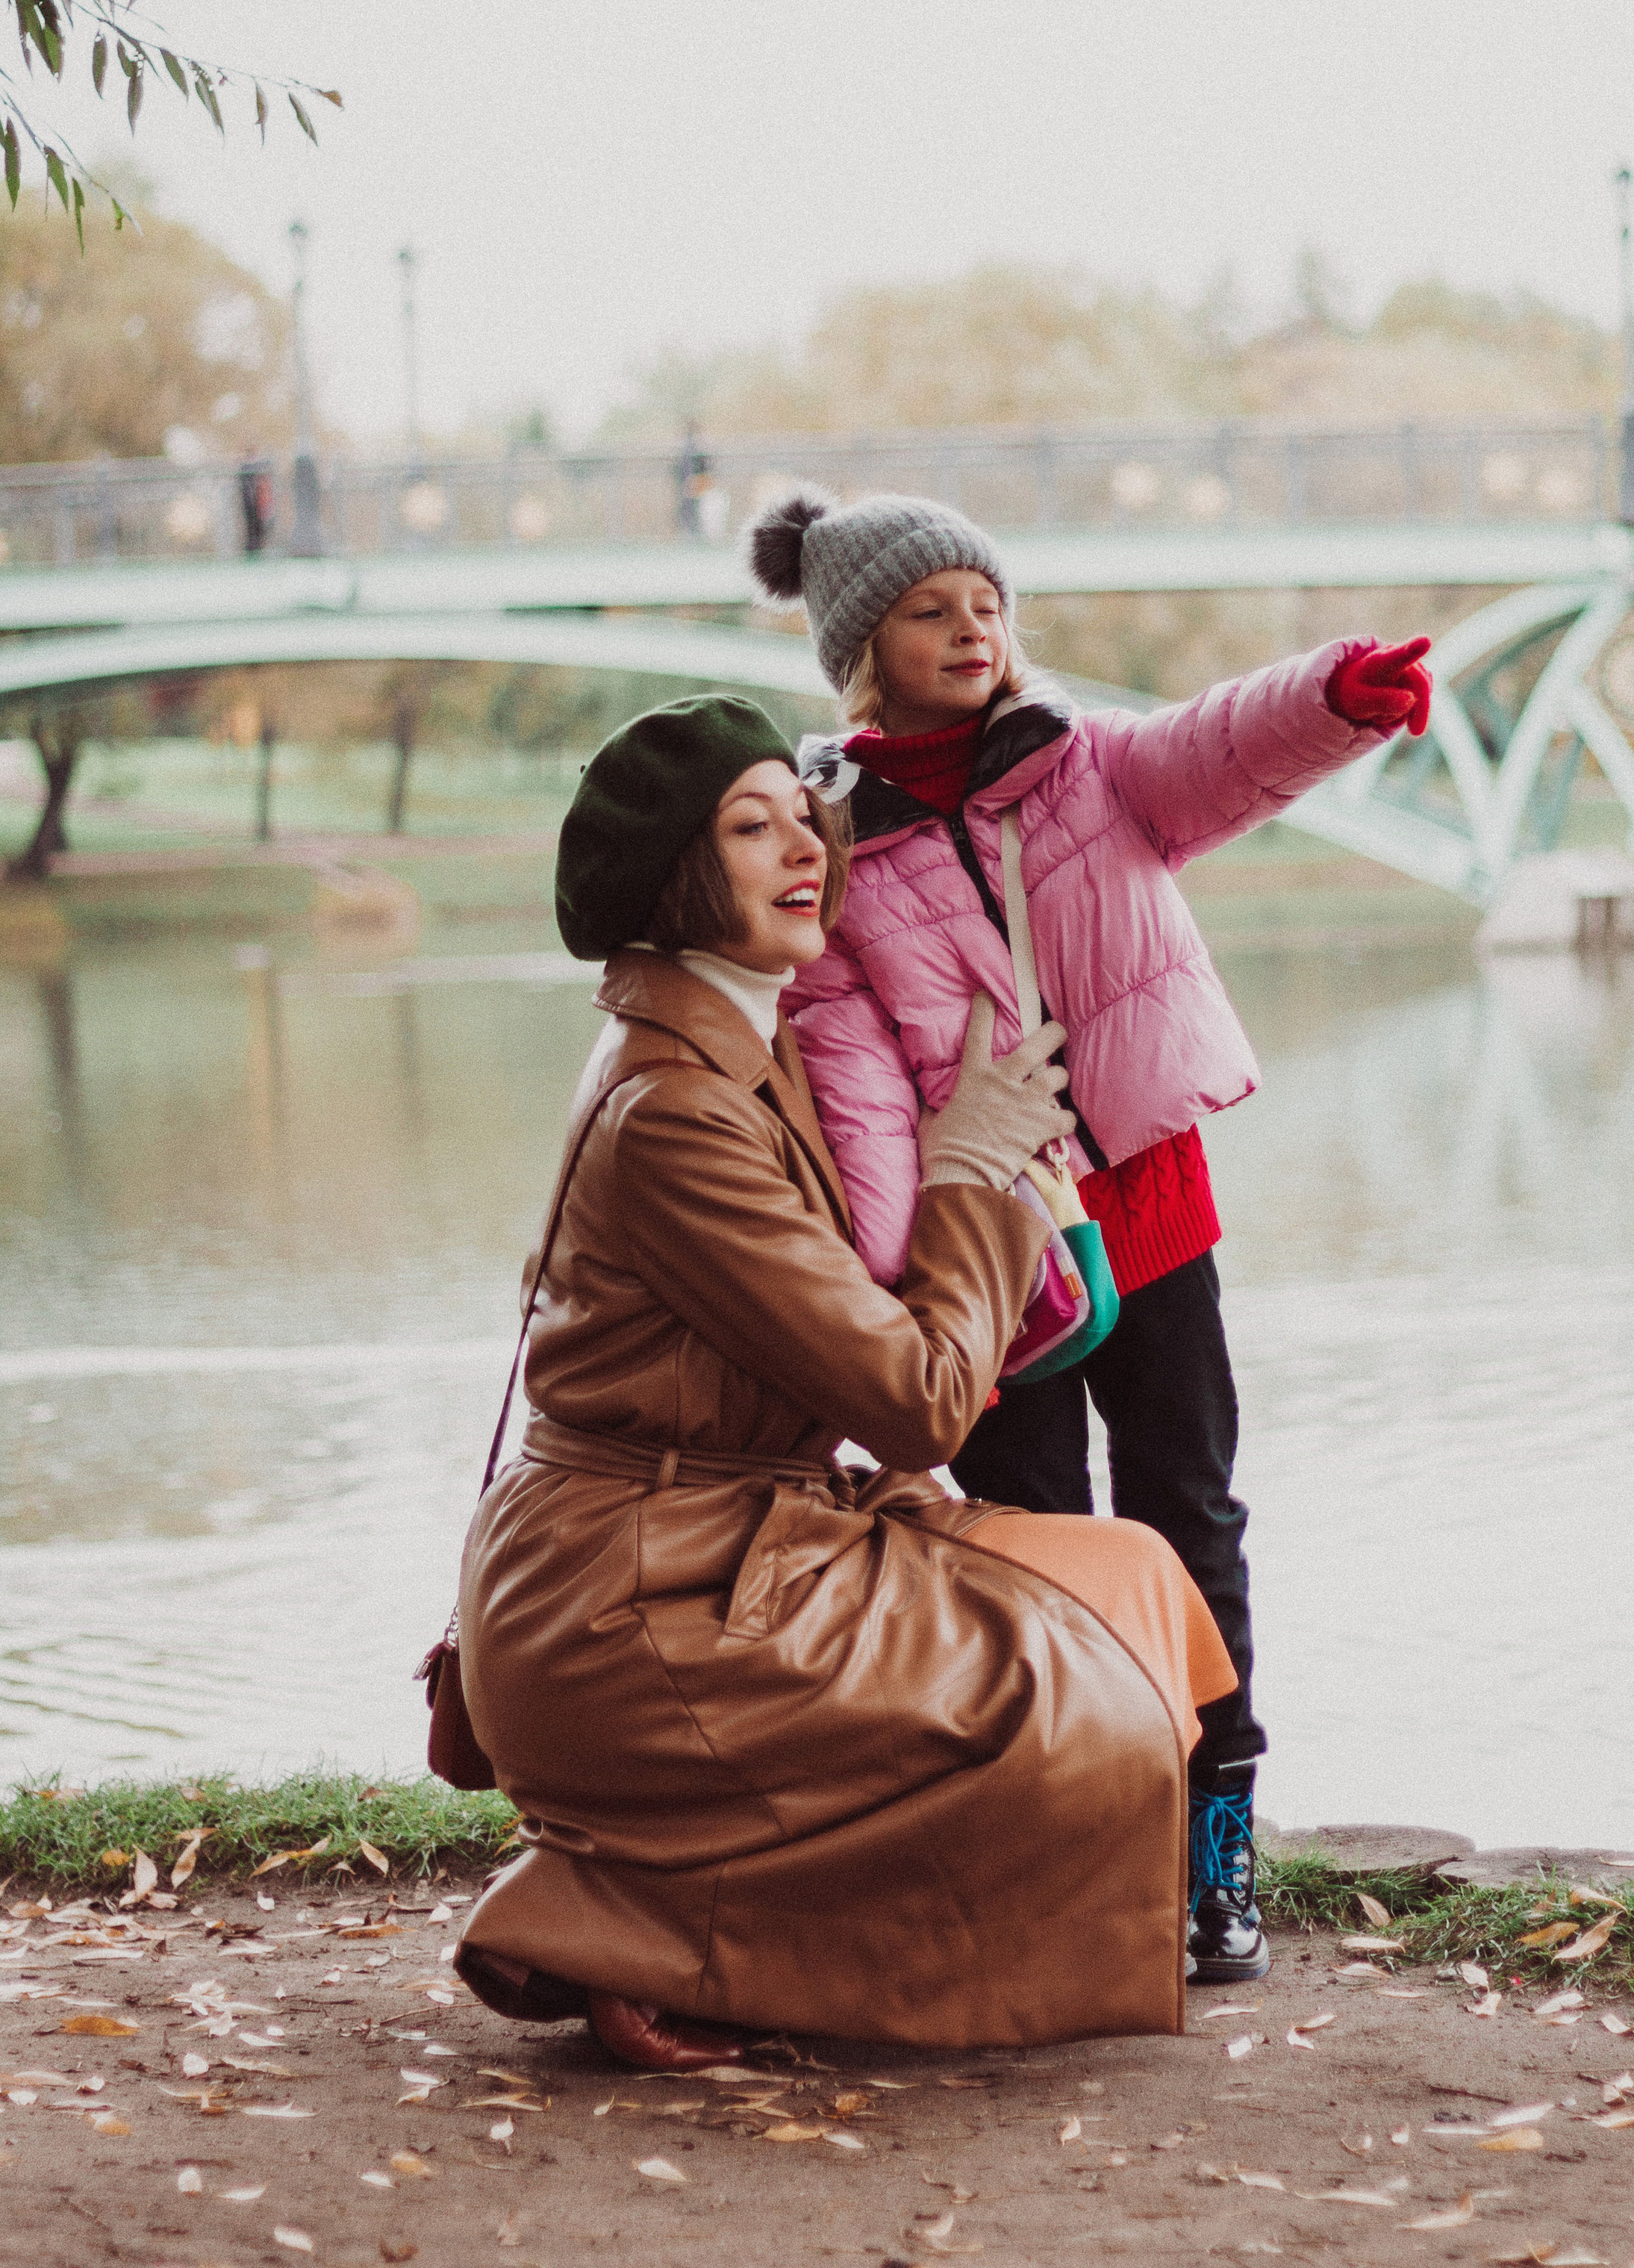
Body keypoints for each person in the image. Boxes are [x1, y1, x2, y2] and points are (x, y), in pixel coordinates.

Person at [452, 694, 1236, 2062]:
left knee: (1134, 1586)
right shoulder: (680, 1111)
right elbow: (923, 1402)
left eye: (798, 813)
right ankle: (638, 1924)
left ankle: (681, 1902)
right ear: (674, 883)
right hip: (639, 1612)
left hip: (707, 1552)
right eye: (749, 829)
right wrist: (972, 1172)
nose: (804, 845)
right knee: (1067, 1710)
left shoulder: (738, 1040)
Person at [749, 491, 1431, 1984]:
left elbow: (1219, 746)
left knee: (1188, 1515)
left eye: (984, 601)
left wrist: (1330, 698)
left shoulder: (1085, 767)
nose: (972, 630)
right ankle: (1078, 1844)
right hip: (996, 1252)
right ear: (865, 648)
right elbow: (853, 1088)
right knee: (1033, 1543)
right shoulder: (837, 849)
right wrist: (901, 1266)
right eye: (931, 611)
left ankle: (1213, 1861)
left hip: (1150, 1206)